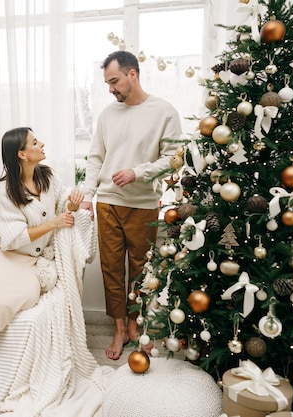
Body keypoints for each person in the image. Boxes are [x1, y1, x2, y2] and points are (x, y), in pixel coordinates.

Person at [0, 127, 84, 410]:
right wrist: (54, 223)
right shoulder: (4, 191)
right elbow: (12, 238)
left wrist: (72, 204)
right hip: (4, 255)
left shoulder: (47, 176)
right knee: (2, 302)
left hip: (33, 259)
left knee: (27, 296)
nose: (42, 143)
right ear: (22, 154)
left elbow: (61, 206)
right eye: (35, 142)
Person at [80, 50, 182, 361]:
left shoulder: (164, 112)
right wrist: (87, 194)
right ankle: (120, 328)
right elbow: (96, 157)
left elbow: (174, 159)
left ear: (132, 75)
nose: (110, 89)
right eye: (107, 83)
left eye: (114, 81)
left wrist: (138, 172)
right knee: (111, 270)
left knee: (141, 271)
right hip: (108, 203)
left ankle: (138, 325)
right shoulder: (107, 115)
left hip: (143, 205)